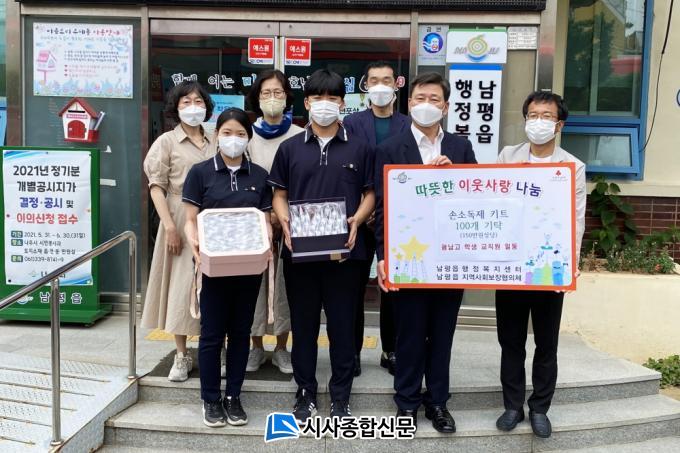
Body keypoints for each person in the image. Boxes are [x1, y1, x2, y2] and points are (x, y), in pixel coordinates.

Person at [268, 69, 375, 423]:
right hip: (300, 254)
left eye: (332, 98)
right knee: (304, 327)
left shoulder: (361, 147)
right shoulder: (289, 148)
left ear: (342, 103)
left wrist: (358, 219)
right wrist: (284, 220)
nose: (324, 104)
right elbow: (279, 194)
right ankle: (305, 392)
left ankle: (341, 396)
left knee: (342, 327)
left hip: (347, 253)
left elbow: (370, 193)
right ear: (307, 102)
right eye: (317, 98)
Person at [375, 72, 477, 433]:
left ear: (446, 107)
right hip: (409, 258)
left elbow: (476, 199)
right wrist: (383, 257)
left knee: (442, 334)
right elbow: (383, 209)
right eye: (420, 98)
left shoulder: (461, 147)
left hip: (450, 258)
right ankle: (406, 402)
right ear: (409, 103)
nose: (427, 105)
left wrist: (454, 178)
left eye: (434, 99)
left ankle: (437, 403)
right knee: (410, 334)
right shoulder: (390, 148)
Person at [494, 91, 586, 439]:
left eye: (547, 117)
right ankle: (512, 405)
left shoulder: (572, 166)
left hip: (549, 266)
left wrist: (570, 263)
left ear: (559, 125)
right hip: (512, 265)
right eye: (533, 115)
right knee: (511, 341)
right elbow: (494, 204)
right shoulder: (508, 156)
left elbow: (576, 218)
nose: (538, 122)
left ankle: (540, 408)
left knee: (546, 342)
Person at [183, 108, 273, 428]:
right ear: (216, 135)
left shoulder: (259, 175)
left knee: (240, 333)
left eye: (240, 134)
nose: (233, 139)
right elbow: (191, 220)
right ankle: (210, 399)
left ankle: (233, 396)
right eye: (227, 133)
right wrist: (195, 244)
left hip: (249, 268)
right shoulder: (200, 173)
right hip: (213, 268)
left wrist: (267, 238)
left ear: (249, 138)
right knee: (211, 334)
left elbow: (265, 220)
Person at [141, 81, 214, 382]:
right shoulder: (167, 142)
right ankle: (182, 354)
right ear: (176, 107)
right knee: (182, 286)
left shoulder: (215, 138)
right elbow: (156, 187)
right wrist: (169, 226)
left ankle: (216, 347)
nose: (193, 107)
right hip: (179, 216)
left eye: (198, 101)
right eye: (186, 102)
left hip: (214, 218)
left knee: (215, 284)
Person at [343, 61, 410, 377]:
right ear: (365, 85)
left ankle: (391, 350)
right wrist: (364, 210)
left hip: (397, 220)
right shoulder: (352, 123)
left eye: (386, 80)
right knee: (353, 290)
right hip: (359, 217)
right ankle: (352, 352)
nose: (380, 86)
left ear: (397, 84)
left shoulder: (408, 124)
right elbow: (348, 166)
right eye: (374, 80)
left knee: (393, 289)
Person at [244, 69, 303, 375]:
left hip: (289, 224)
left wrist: (281, 216)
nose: (272, 98)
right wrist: (263, 213)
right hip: (252, 223)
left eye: (278, 92)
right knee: (253, 288)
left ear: (287, 96)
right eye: (266, 93)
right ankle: (255, 346)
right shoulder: (245, 135)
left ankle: (281, 348)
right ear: (257, 98)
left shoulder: (299, 135)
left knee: (285, 288)